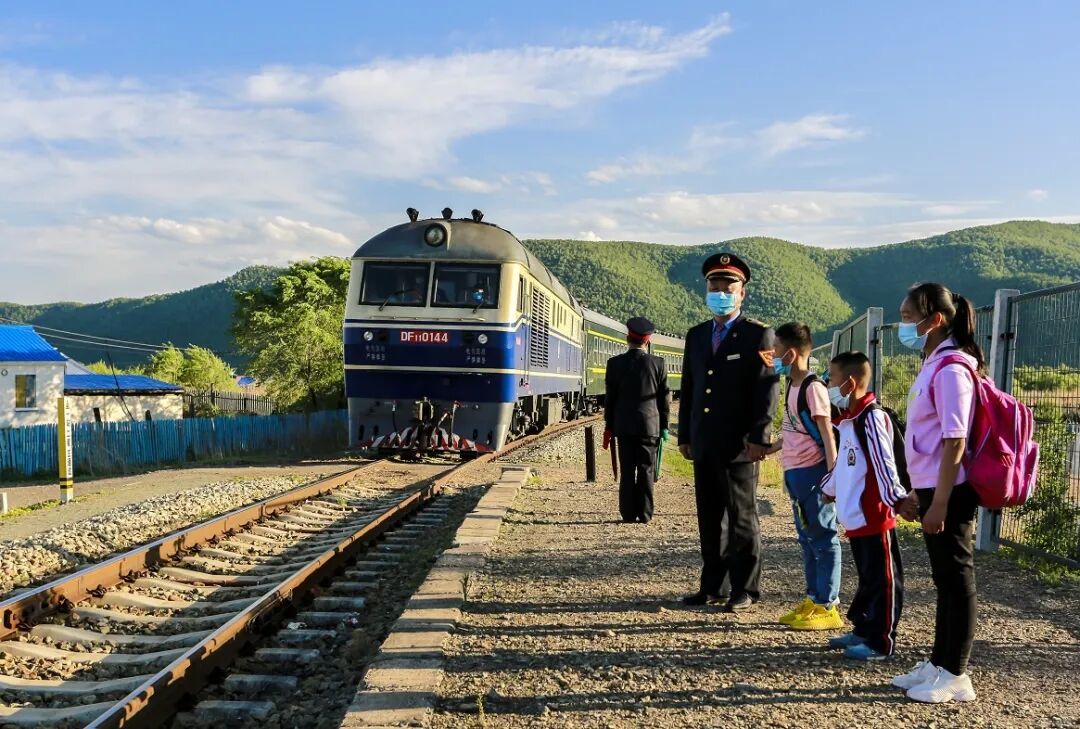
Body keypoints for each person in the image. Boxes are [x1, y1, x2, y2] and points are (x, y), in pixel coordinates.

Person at [891, 283, 983, 703]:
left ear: (936, 320)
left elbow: (954, 440)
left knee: (957, 577)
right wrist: (919, 492)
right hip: (932, 487)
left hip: (952, 490)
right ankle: (938, 663)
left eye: (908, 317)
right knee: (944, 579)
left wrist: (940, 503)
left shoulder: (951, 369)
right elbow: (925, 439)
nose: (903, 325)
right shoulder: (933, 362)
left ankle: (956, 674)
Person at [678, 253, 780, 611]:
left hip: (740, 445)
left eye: (728, 287)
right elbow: (690, 387)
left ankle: (745, 588)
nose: (720, 292)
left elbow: (767, 389)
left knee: (741, 518)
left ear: (742, 293)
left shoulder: (758, 334)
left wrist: (760, 437)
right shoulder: (696, 336)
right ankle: (713, 586)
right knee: (710, 518)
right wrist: (685, 435)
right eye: (714, 286)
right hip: (704, 441)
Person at [820, 352, 907, 660]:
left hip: (875, 514)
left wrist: (897, 499)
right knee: (868, 577)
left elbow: (885, 464)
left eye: (831, 378)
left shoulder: (871, 418)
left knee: (884, 579)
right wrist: (829, 489)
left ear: (850, 383)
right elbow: (846, 463)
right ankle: (864, 628)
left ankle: (881, 641)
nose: (828, 385)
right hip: (856, 517)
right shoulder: (849, 420)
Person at [772, 322, 842, 631]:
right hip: (795, 474)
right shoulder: (792, 385)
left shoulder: (813, 388)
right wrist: (771, 448)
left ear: (790, 353)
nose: (772, 354)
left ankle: (828, 605)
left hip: (814, 474)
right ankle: (813, 598)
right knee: (807, 538)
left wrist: (832, 478)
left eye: (776, 349)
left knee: (823, 537)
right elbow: (794, 428)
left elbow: (827, 434)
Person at [603, 317, 670, 524]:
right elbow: (664, 399)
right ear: (647, 341)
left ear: (627, 338)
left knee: (627, 470)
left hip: (623, 427)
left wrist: (609, 426)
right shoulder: (658, 364)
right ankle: (646, 513)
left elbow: (610, 399)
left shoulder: (614, 364)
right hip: (650, 427)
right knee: (646, 469)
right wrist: (664, 426)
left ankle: (628, 514)